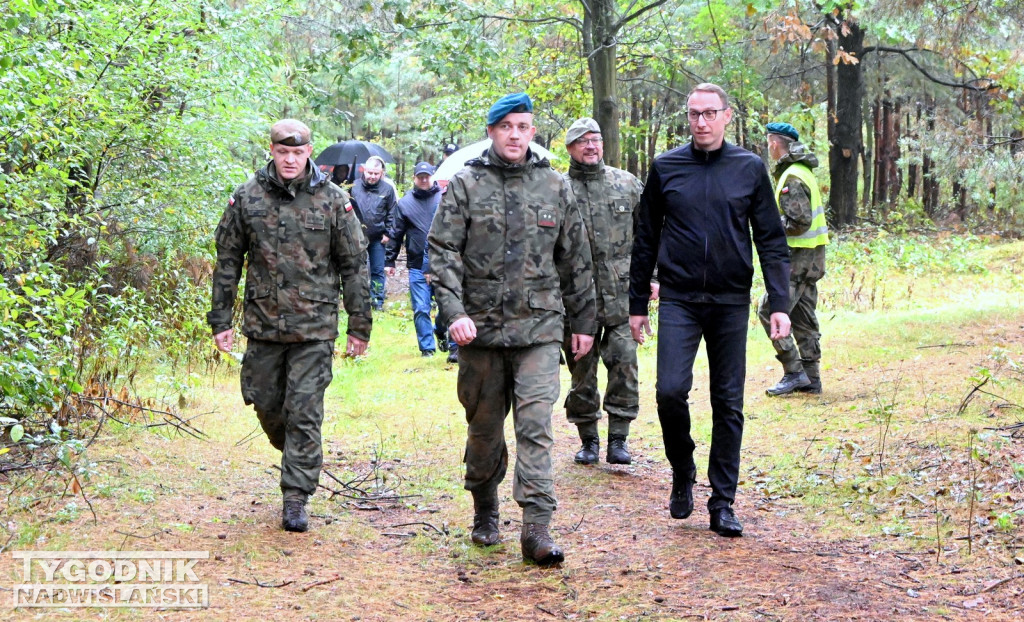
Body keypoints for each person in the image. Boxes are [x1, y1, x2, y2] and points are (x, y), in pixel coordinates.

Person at [428, 92, 597, 566]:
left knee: (536, 426)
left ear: (533, 131)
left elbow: (576, 260)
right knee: (484, 432)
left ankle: (536, 528)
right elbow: (442, 254)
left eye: (524, 126)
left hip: (540, 330)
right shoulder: (465, 185)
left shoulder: (555, 186)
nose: (516, 135)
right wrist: (454, 312)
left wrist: (583, 323)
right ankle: (485, 505)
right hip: (478, 333)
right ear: (492, 131)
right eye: (507, 127)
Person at [628, 83, 792, 538]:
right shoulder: (665, 167)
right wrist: (636, 304)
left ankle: (723, 502)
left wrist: (780, 303)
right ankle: (683, 470)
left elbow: (771, 241)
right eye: (694, 114)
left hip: (729, 301)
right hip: (679, 299)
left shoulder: (749, 168)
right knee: (669, 392)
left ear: (727, 116)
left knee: (728, 401)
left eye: (709, 113)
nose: (701, 122)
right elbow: (644, 239)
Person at [208, 119, 372, 533]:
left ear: (309, 151)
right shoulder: (247, 197)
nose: (291, 160)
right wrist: (220, 319)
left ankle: (295, 496)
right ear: (272, 150)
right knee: (264, 402)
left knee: (304, 410)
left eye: (298, 153)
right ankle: (298, 451)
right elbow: (227, 262)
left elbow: (354, 266)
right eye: (283, 152)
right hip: (263, 325)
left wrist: (359, 325)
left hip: (314, 328)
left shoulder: (334, 200)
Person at [560, 117, 645, 466]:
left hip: (622, 296)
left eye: (595, 139)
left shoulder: (627, 184)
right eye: (582, 141)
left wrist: (651, 278)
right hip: (576, 301)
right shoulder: (558, 189)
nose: (591, 146)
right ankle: (588, 439)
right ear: (570, 149)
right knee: (582, 372)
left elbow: (650, 237)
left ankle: (619, 439)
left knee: (625, 364)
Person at [757, 122, 829, 396]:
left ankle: (794, 371)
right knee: (802, 317)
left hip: (797, 260)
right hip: (811, 259)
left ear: (775, 143)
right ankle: (811, 379)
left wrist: (769, 224)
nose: (768, 148)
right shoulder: (803, 171)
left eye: (769, 143)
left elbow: (799, 221)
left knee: (768, 309)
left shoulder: (791, 177)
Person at [384, 161, 454, 358]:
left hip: (444, 262)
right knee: (421, 308)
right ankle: (427, 349)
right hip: (416, 264)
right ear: (414, 178)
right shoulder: (405, 203)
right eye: (420, 176)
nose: (424, 180)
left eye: (427, 176)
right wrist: (389, 261)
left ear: (433, 177)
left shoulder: (445, 198)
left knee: (447, 306)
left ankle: (440, 330)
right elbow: (396, 233)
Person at [351, 155, 397, 310]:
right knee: (360, 269)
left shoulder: (387, 189)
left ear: (381, 173)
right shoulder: (354, 186)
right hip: (357, 236)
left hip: (378, 237)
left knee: (378, 270)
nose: (372, 176)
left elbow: (392, 212)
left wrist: (388, 233)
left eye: (376, 174)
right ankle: (360, 300)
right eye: (370, 173)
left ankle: (377, 301)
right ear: (364, 170)